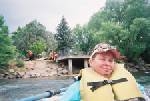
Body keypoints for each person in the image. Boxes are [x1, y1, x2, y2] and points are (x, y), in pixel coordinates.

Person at [60, 42, 147, 101]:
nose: (107, 64)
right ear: (91, 62)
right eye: (102, 59)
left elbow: (142, 93)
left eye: (110, 60)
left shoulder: (127, 80)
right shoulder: (77, 88)